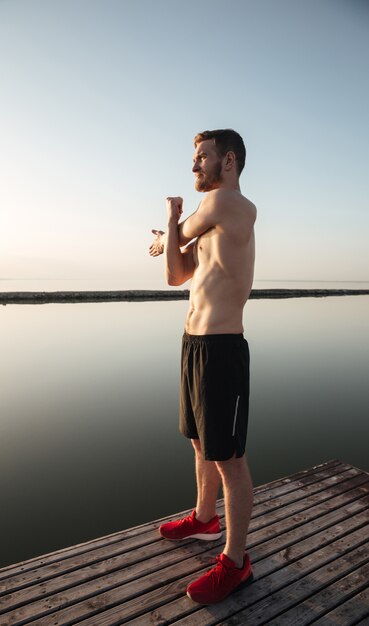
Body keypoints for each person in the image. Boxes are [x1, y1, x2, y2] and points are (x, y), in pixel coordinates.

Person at [149, 128, 256, 605]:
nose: (194, 166)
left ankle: (235, 561)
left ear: (227, 161)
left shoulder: (230, 206)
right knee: (199, 442)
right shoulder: (210, 223)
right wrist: (171, 234)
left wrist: (170, 221)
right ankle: (204, 518)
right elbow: (175, 274)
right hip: (194, 344)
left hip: (222, 350)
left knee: (228, 458)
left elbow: (179, 236)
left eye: (201, 157)